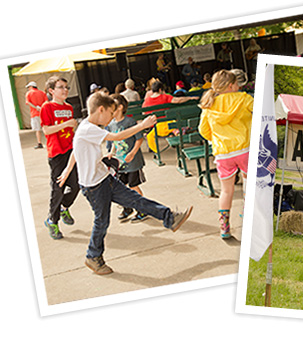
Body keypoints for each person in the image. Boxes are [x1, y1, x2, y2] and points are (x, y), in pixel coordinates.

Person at [57, 93, 192, 275]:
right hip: (94, 187)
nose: (112, 117)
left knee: (135, 200)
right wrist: (142, 125)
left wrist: (68, 169)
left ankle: (170, 218)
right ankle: (93, 256)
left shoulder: (87, 126)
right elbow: (117, 136)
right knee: (101, 221)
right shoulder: (89, 128)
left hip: (105, 179)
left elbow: (76, 149)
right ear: (101, 109)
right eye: (110, 112)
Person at [198, 70, 254, 239]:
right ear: (231, 85)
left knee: (226, 191)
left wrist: (216, 139)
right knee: (248, 184)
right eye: (236, 83)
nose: (238, 86)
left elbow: (203, 131)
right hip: (245, 149)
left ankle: (224, 228)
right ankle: (247, 215)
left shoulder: (208, 105)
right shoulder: (244, 98)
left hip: (223, 154)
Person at [39, 76, 80, 240]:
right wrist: (66, 124)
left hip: (70, 152)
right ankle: (52, 220)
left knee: (76, 185)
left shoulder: (69, 107)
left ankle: (64, 207)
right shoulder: (46, 107)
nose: (65, 90)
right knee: (58, 189)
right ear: (51, 91)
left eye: (66, 87)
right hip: (56, 154)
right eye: (60, 87)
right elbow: (47, 131)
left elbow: (71, 130)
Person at [106, 94, 149, 222]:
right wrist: (111, 152)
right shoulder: (111, 124)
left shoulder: (129, 122)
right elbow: (115, 140)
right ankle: (127, 208)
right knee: (121, 187)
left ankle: (142, 209)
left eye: (112, 105)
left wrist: (132, 153)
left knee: (133, 186)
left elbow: (139, 138)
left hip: (132, 162)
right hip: (120, 162)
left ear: (120, 107)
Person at [25, 81, 48, 149]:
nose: (28, 89)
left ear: (31, 87)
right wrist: (41, 108)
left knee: (38, 129)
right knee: (46, 127)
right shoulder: (42, 93)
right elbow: (46, 101)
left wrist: (36, 107)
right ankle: (49, 141)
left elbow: (28, 102)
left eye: (29, 87)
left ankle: (39, 143)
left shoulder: (28, 93)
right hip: (43, 112)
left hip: (35, 114)